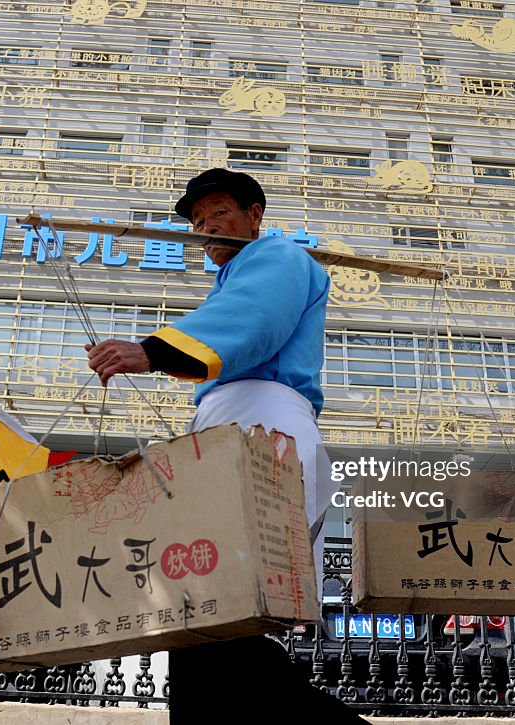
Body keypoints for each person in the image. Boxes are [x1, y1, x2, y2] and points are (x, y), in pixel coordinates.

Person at [85, 168, 364, 722]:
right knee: (209, 621)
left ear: (254, 216)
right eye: (197, 220)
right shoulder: (238, 274)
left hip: (264, 430)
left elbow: (251, 319)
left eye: (218, 213)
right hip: (235, 430)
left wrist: (151, 350)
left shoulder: (278, 257)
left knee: (221, 617)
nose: (205, 227)